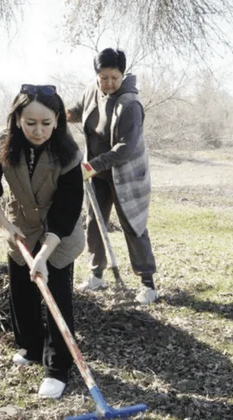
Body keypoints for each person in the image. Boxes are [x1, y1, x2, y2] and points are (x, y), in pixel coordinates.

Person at [0, 84, 84, 399]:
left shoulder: (69, 153)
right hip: (20, 224)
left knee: (56, 296)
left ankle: (58, 367)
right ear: (17, 120)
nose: (39, 131)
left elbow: (67, 210)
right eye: (30, 123)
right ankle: (31, 348)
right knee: (21, 291)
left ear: (57, 122)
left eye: (46, 123)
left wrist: (45, 255)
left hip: (59, 233)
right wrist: (6, 226)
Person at [66, 48, 158, 305]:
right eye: (103, 77)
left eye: (114, 78)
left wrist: (92, 166)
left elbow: (125, 149)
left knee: (133, 223)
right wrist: (56, 115)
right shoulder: (92, 91)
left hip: (126, 173)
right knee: (95, 222)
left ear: (122, 74)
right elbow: (76, 111)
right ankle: (97, 275)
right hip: (96, 172)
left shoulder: (130, 105)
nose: (108, 83)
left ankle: (148, 284)